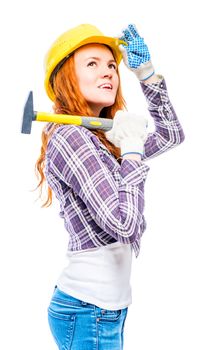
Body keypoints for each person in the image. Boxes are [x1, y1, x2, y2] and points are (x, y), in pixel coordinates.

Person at [35, 23, 185, 350]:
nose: (108, 74)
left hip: (103, 307)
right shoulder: (72, 137)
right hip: (89, 309)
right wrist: (131, 150)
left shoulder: (103, 137)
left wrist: (146, 74)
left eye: (112, 66)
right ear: (66, 78)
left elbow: (172, 134)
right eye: (92, 64)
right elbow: (123, 223)